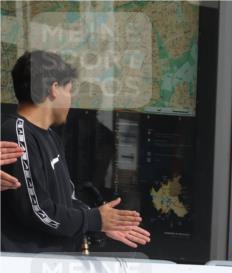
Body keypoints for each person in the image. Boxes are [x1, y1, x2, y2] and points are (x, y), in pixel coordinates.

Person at [1, 50, 148, 252]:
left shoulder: (50, 136)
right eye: (69, 91)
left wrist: (102, 221)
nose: (70, 100)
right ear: (54, 89)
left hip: (52, 266)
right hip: (27, 270)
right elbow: (38, 211)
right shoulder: (17, 133)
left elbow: (66, 199)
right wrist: (93, 219)